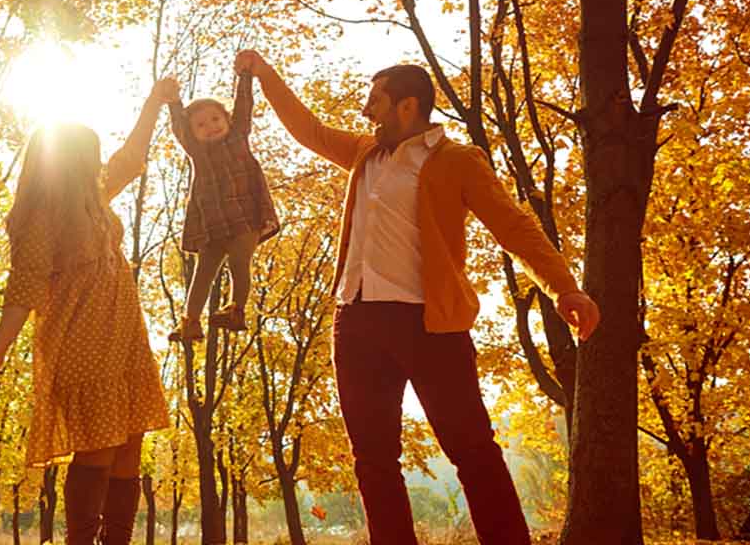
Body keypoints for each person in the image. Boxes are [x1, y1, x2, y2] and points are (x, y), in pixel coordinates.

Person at [235, 49, 601, 545]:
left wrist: (564, 287)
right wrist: (263, 72)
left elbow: (515, 228)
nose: (366, 111)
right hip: (356, 323)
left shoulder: (456, 161)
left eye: (375, 100)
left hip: (431, 327)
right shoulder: (365, 154)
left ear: (407, 106)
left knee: (472, 452)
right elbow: (309, 130)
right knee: (373, 460)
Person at [0, 78, 180, 545]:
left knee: (129, 453)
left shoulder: (94, 197)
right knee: (100, 454)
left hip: (124, 339)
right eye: (90, 154)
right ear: (69, 161)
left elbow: (130, 160)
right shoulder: (43, 212)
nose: (98, 161)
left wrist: (153, 103)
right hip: (82, 343)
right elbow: (24, 286)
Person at [165, 67, 281, 342]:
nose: (210, 127)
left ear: (228, 120)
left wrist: (245, 76)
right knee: (203, 271)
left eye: (215, 119)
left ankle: (235, 309)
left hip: (245, 217)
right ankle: (190, 322)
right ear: (193, 132)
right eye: (201, 125)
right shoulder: (196, 150)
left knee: (240, 262)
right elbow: (179, 127)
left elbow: (243, 105)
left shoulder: (238, 135)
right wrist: (173, 101)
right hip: (212, 223)